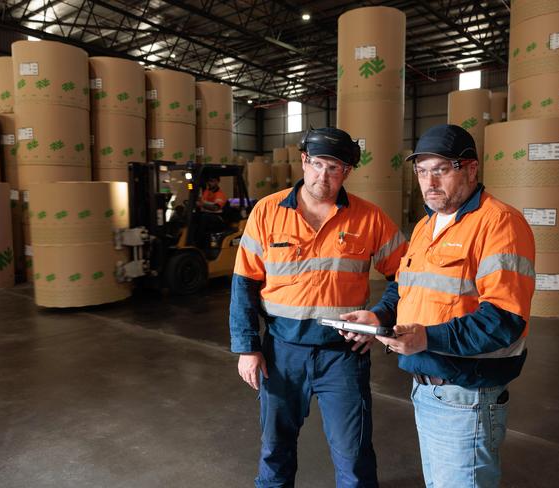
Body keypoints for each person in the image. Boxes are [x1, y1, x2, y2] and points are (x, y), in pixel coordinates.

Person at [340, 124, 536, 487]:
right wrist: (379, 315)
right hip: (427, 388)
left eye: (442, 170)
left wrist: (426, 339)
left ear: (471, 169)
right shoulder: (426, 226)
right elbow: (405, 285)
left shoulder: (500, 224)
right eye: (421, 171)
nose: (429, 181)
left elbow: (503, 319)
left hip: (467, 395)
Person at [229, 127, 408, 487]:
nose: (323, 176)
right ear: (304, 162)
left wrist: (380, 316)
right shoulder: (267, 212)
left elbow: (408, 275)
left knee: (353, 454)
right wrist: (247, 347)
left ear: (347, 173)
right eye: (318, 164)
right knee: (274, 448)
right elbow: (244, 283)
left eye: (335, 168)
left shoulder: (369, 218)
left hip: (342, 355)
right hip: (281, 353)